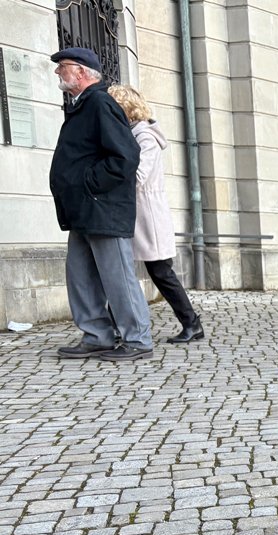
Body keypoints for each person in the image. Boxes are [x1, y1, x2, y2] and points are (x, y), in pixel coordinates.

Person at [48, 47, 154, 361]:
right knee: (80, 276)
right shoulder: (84, 106)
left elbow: (126, 156)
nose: (58, 71)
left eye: (63, 66)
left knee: (117, 276)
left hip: (101, 208)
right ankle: (97, 336)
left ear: (81, 71)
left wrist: (89, 184)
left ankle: (137, 339)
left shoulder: (100, 103)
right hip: (83, 210)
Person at [108, 85, 204, 343]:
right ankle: (115, 326)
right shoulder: (131, 135)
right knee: (121, 269)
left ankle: (192, 323)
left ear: (125, 109)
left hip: (147, 215)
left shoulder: (145, 137)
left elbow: (140, 176)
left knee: (161, 272)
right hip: (133, 213)